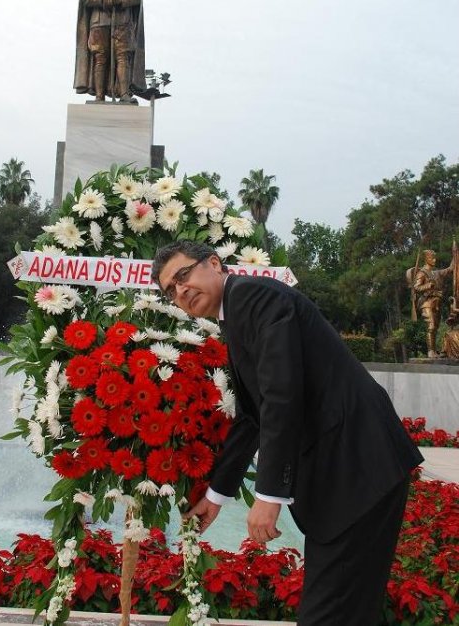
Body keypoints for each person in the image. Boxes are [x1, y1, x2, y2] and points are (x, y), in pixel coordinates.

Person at [152, 240, 423, 626]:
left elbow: (282, 394)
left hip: (357, 470)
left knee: (329, 614)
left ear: (214, 263)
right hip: (353, 475)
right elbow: (252, 416)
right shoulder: (238, 312)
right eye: (170, 290)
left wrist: (269, 494)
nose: (180, 290)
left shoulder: (253, 297)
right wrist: (216, 495)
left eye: (183, 275)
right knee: (350, 611)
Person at [411, 249, 453, 358]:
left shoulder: (436, 273)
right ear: (426, 259)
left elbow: (450, 269)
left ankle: (434, 351)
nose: (434, 260)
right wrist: (428, 285)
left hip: (437, 303)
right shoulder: (422, 273)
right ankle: (430, 352)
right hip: (426, 302)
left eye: (435, 258)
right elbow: (416, 287)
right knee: (431, 326)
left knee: (435, 328)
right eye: (431, 258)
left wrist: (455, 255)